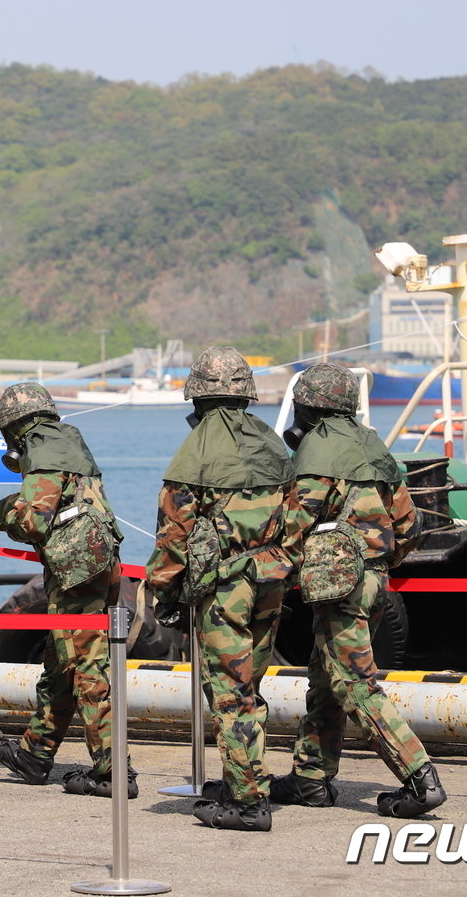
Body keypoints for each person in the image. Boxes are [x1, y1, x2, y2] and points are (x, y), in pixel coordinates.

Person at [274, 362, 447, 817]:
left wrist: (281, 571)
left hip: (338, 585)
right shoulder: (374, 448)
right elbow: (409, 526)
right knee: (327, 679)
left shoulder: (316, 452)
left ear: (311, 407)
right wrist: (377, 564)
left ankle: (420, 778)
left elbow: (293, 525)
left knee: (354, 684)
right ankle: (311, 779)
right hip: (373, 582)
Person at [143, 347, 304, 831]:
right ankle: (245, 779)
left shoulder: (194, 452)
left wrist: (164, 594)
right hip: (270, 581)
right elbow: (298, 520)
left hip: (225, 590)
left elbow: (173, 534)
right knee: (249, 687)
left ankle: (249, 803)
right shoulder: (273, 446)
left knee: (229, 695)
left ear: (197, 395)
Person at [0, 382, 134, 797]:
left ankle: (113, 771)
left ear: (13, 428)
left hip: (77, 572)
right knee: (61, 662)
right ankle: (35, 753)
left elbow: (34, 521)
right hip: (98, 564)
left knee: (87, 667)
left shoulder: (43, 450)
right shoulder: (68, 440)